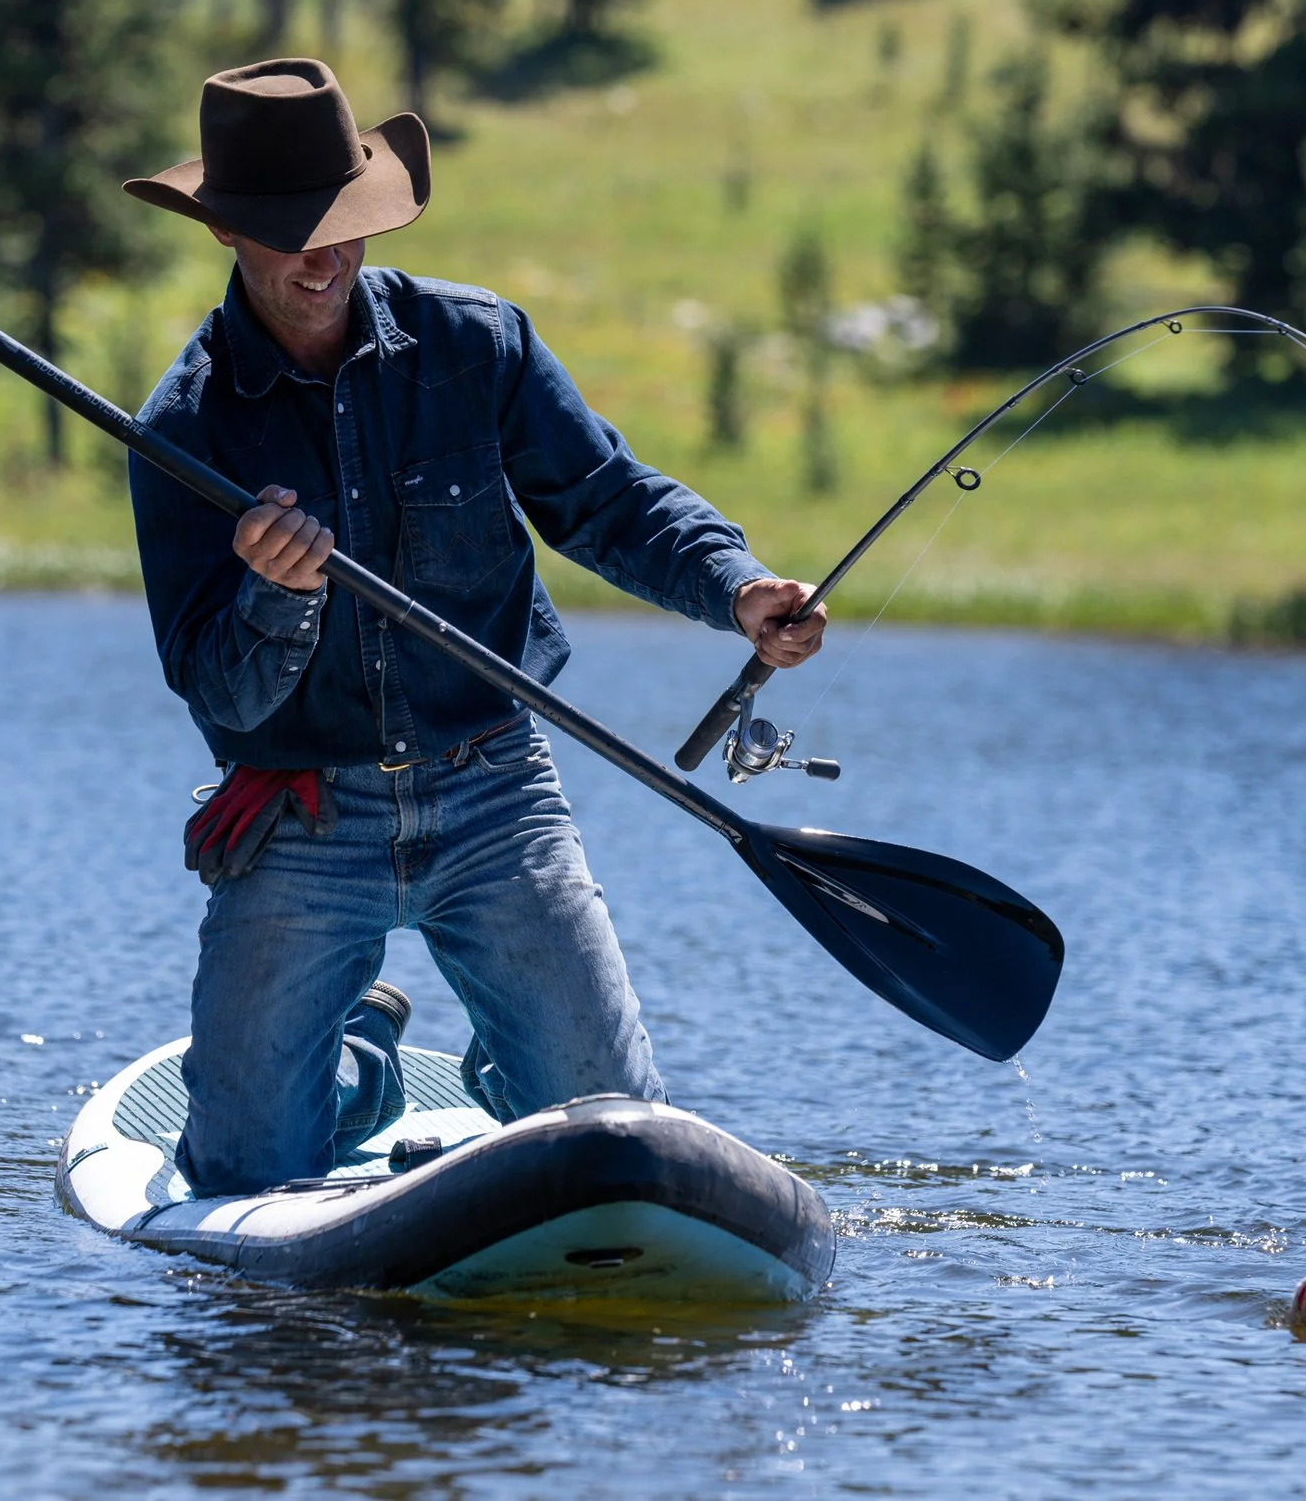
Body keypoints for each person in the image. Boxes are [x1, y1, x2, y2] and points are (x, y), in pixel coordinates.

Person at [123, 59, 826, 1198]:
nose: (324, 258)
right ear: (225, 231)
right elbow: (217, 689)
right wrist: (277, 595)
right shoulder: (182, 426)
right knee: (244, 1172)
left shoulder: (477, 343)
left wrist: (737, 586)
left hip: (496, 792)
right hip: (303, 818)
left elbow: (608, 500)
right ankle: (362, 1064)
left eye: (344, 225)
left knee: (611, 1121)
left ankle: (512, 1070)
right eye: (291, 234)